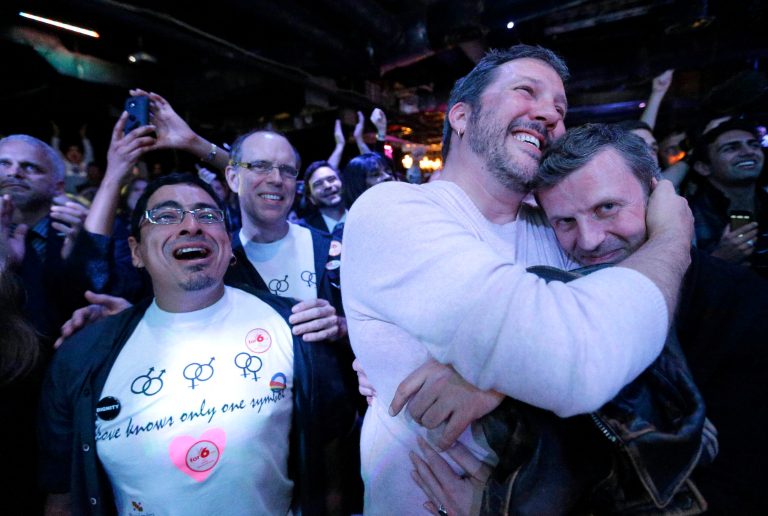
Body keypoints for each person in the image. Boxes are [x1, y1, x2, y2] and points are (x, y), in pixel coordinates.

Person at [342, 44, 693, 514]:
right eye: (527, 91)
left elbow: (630, 339)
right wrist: (672, 237)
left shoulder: (561, 226)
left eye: (560, 109)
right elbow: (579, 356)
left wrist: (492, 378)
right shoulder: (392, 211)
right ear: (461, 116)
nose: (550, 115)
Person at [408, 123, 768, 514]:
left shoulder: (743, 305)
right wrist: (493, 373)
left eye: (606, 208)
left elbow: (739, 490)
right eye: (565, 222)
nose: (590, 240)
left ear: (656, 197)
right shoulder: (561, 303)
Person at [38, 173, 356, 515]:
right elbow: (62, 499)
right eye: (165, 216)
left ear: (228, 243)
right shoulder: (84, 357)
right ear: (136, 251)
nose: (191, 225)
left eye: (208, 215)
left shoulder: (296, 327)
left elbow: (331, 477)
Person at [0, 134, 107, 342]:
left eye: (30, 167)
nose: (14, 172)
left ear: (58, 187)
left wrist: (81, 255)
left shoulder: (79, 233)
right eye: (4, 164)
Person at [688, 116, 767, 276]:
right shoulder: (688, 218)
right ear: (703, 167)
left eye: (754, 145)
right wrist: (720, 259)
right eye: (731, 148)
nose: (748, 152)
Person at [302, 160, 347, 234]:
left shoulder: (363, 215)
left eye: (331, 179)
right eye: (318, 184)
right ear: (311, 198)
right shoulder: (303, 231)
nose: (327, 186)